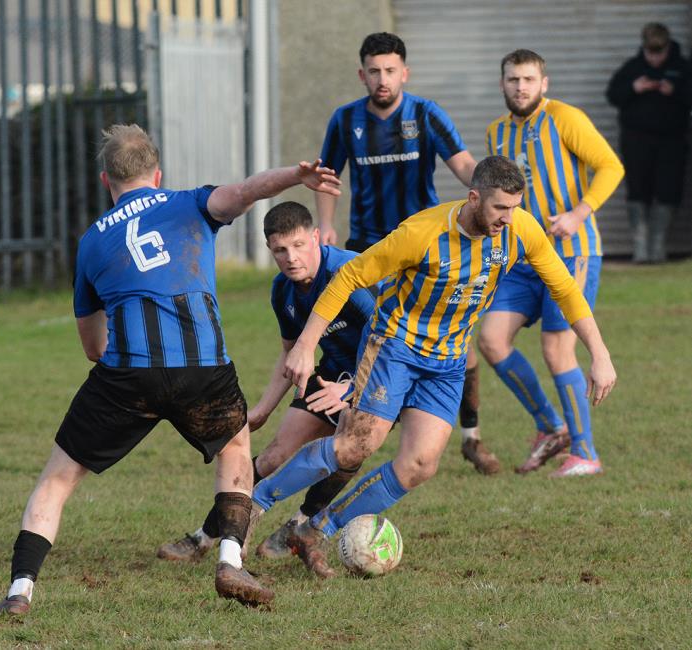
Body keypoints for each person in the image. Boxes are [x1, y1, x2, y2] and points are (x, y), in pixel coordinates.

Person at [0, 125, 341, 616]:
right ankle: (230, 558)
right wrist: (294, 175)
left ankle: (20, 591)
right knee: (236, 449)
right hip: (205, 369)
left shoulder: (91, 243)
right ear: (157, 174)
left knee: (58, 479)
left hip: (127, 377)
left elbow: (92, 346)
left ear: (104, 180)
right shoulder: (189, 203)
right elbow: (245, 191)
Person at [271, 155, 617, 578]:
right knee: (357, 446)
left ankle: (315, 530)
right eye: (499, 209)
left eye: (515, 208)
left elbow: (563, 286)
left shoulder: (520, 228)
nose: (509, 218)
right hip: (395, 344)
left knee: (419, 465)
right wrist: (305, 344)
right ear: (474, 198)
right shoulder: (422, 232)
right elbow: (348, 278)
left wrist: (599, 353)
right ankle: (253, 503)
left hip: (447, 359)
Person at [316, 31, 497, 475]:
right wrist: (325, 223)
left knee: (461, 347)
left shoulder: (426, 114)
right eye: (374, 71)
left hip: (429, 254)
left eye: (390, 70)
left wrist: (497, 193)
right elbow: (326, 176)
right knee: (365, 338)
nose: (383, 79)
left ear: (405, 73)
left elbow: (464, 166)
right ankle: (347, 430)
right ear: (362, 74)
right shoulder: (345, 121)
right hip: (369, 248)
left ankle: (471, 438)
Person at [156, 200, 376, 564]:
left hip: (380, 376)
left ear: (317, 237)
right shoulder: (283, 291)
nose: (291, 257)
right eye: (280, 250)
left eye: (299, 245)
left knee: (350, 450)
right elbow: (290, 354)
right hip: (329, 374)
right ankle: (204, 537)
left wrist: (352, 388)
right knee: (274, 455)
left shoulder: (348, 275)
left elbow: (385, 338)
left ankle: (300, 527)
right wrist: (262, 409)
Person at [478, 49, 624, 476]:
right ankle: (549, 426)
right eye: (512, 79)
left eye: (528, 79)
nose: (520, 86)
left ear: (545, 83)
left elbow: (610, 166)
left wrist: (579, 213)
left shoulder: (565, 118)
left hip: (572, 253)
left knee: (557, 348)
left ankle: (585, 453)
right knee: (491, 339)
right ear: (501, 83)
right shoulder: (496, 134)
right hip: (522, 259)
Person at [606, 22, 691, 263]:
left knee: (668, 190)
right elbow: (613, 95)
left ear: (668, 48)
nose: (655, 59)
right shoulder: (633, 68)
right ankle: (641, 248)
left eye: (659, 53)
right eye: (650, 53)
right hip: (637, 142)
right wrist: (634, 87)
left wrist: (674, 91)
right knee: (638, 190)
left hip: (672, 142)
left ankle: (658, 247)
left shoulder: (682, 68)